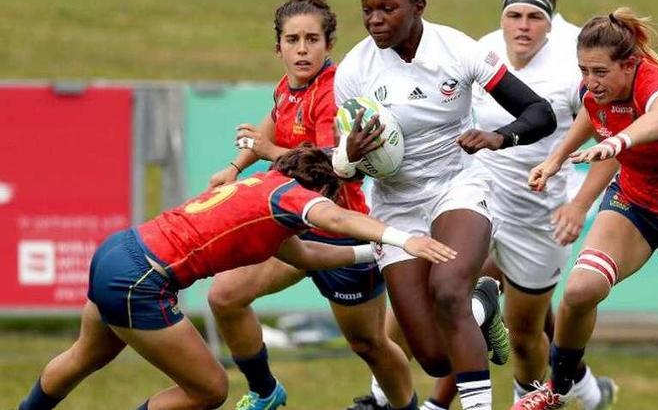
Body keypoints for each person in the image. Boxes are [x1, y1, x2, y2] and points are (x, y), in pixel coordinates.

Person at [17, 147, 456, 410]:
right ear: (315, 192)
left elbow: (305, 254)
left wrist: (378, 252)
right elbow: (334, 218)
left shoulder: (264, 186)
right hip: (141, 281)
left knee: (84, 356)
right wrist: (404, 238)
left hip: (119, 251)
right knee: (210, 390)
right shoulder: (291, 197)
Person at [333, 0, 557, 410]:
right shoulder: (354, 70)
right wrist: (350, 155)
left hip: (459, 186)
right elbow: (348, 176)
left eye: (387, 8)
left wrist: (500, 137)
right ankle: (484, 302)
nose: (375, 19)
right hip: (395, 205)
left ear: (419, 5)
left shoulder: (458, 50)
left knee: (448, 291)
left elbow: (540, 113)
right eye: (367, 9)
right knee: (434, 358)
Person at [204, 0, 417, 410]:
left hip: (340, 230)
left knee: (370, 344)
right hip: (289, 224)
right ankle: (265, 391)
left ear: (328, 44)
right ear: (278, 45)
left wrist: (267, 155)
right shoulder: (288, 86)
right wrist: (236, 166)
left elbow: (327, 163)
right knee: (224, 297)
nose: (302, 50)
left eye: (312, 40)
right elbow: (269, 124)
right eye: (292, 40)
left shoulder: (334, 90)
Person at [516, 8, 658, 410]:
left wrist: (616, 144)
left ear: (630, 64)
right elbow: (590, 111)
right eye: (583, 70)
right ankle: (557, 388)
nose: (590, 81)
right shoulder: (598, 90)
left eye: (599, 72)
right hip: (634, 201)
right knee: (581, 289)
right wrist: (555, 159)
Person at [419, 0, 616, 410]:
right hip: (479, 202)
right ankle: (425, 397)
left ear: (550, 26)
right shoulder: (480, 53)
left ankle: (533, 398)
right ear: (502, 20)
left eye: (533, 17)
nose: (523, 25)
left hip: (537, 219)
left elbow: (614, 146)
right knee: (447, 298)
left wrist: (578, 206)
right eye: (515, 15)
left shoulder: (571, 73)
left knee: (526, 338)